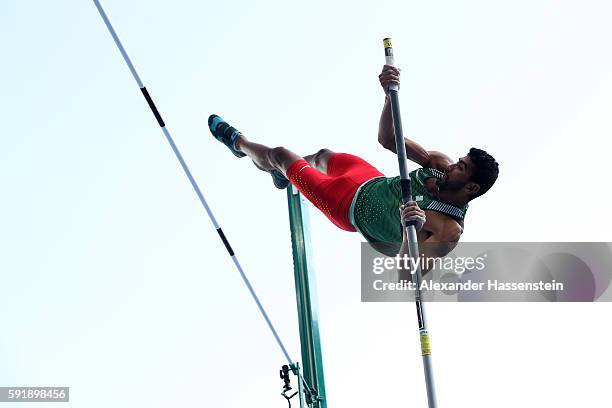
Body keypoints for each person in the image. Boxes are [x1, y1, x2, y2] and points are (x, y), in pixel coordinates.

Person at [208, 65, 499, 262]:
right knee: (321, 155)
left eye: (460, 168)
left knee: (281, 155)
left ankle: (239, 143)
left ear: (472, 186)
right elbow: (388, 139)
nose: (452, 166)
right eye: (458, 161)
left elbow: (406, 277)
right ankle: (285, 175)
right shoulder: (439, 164)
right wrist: (388, 96)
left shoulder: (448, 230)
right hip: (366, 179)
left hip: (346, 207)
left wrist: (411, 230)